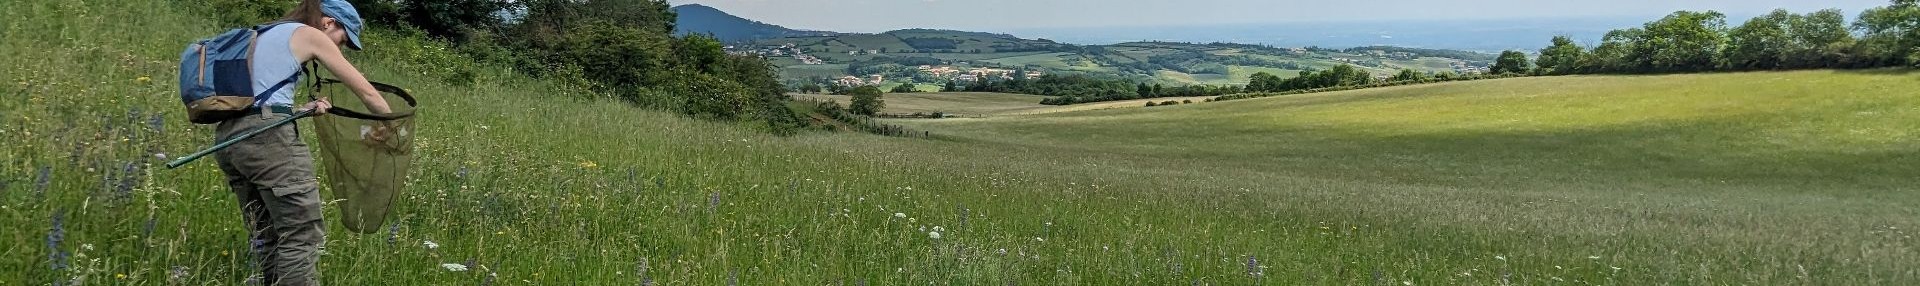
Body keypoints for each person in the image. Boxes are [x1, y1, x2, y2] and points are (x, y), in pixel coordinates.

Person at [212, 0, 392, 284]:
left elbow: (256, 101)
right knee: (302, 232)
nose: (340, 48)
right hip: (268, 142)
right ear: (328, 22)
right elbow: (366, 92)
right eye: (343, 40)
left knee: (266, 232)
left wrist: (299, 111)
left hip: (230, 140)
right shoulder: (311, 35)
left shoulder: (268, 33)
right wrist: (390, 121)